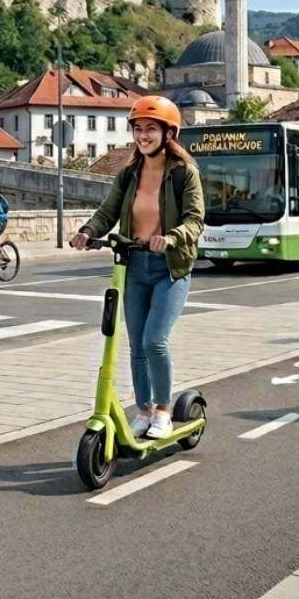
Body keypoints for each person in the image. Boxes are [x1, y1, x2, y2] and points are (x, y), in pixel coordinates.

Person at [69, 97, 205, 440]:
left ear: (168, 133)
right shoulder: (130, 173)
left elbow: (195, 219)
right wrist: (88, 231)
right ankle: (143, 411)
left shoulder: (184, 172)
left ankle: (163, 410)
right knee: (135, 345)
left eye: (151, 129)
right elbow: (107, 211)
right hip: (133, 266)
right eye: (138, 129)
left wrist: (172, 238)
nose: (143, 136)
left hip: (170, 268)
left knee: (154, 341)